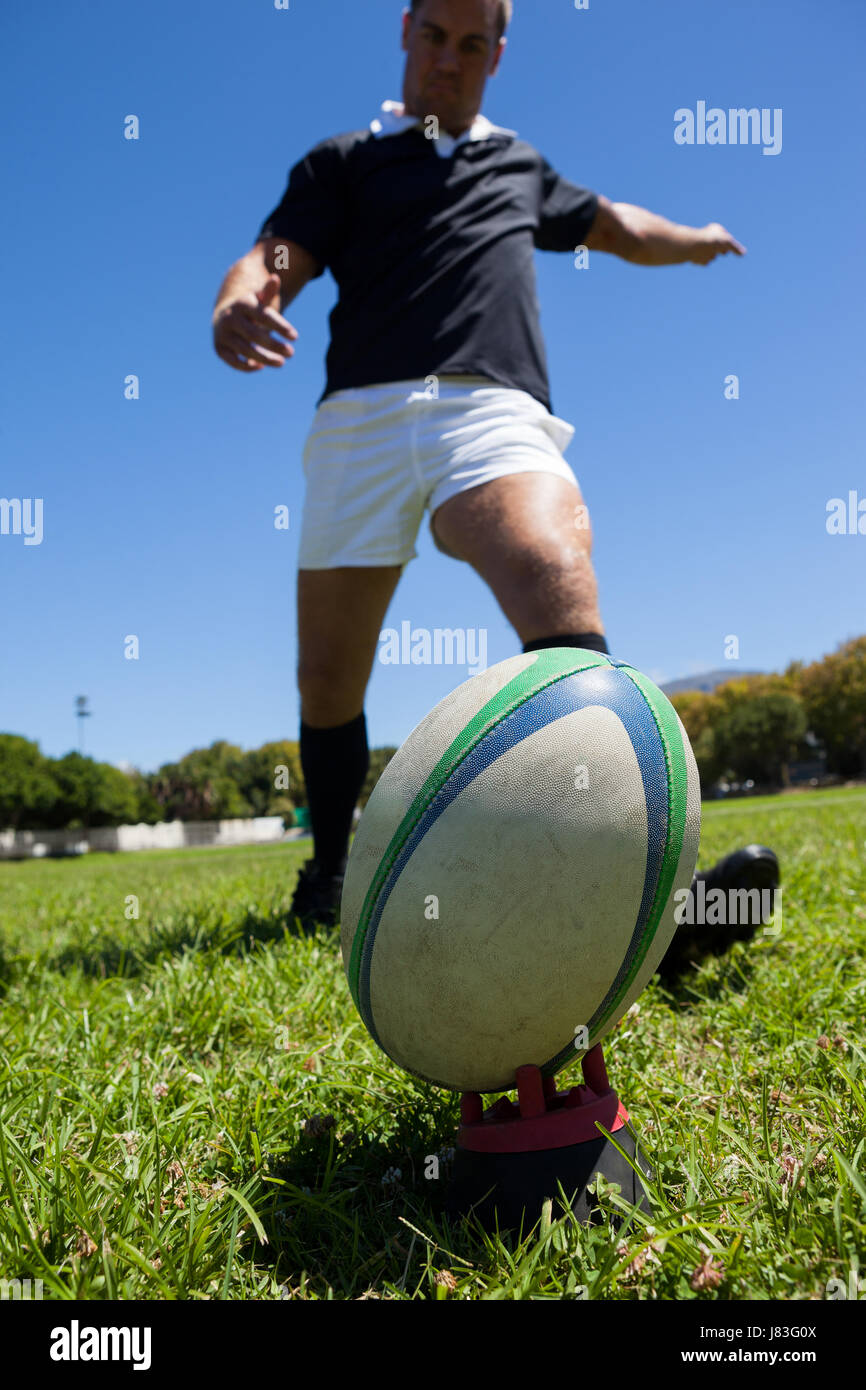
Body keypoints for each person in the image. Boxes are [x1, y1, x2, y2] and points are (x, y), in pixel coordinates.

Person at [212, 0, 778, 977]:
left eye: (472, 44)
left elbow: (613, 224)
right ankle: (331, 870)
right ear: (405, 31)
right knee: (326, 679)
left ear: (497, 54)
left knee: (554, 568)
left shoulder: (518, 164)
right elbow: (279, 250)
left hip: (488, 407)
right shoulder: (345, 160)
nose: (449, 60)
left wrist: (688, 236)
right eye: (435, 35)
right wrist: (243, 291)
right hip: (363, 419)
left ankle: (653, 895)